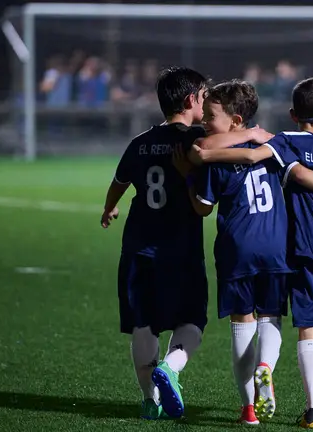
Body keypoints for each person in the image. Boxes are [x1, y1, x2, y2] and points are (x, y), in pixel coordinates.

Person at [190, 77, 313, 429]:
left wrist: (207, 154)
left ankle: (298, 408)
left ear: (292, 113)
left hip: (293, 246)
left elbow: (255, 155)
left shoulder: (282, 142)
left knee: (303, 325)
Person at [99, 66, 209, 420]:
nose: (206, 104)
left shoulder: (140, 142)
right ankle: (172, 367)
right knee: (192, 319)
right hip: (180, 250)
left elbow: (119, 181)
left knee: (143, 324)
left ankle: (150, 400)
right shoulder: (197, 141)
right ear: (191, 99)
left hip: (138, 247)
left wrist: (109, 207)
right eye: (205, 97)